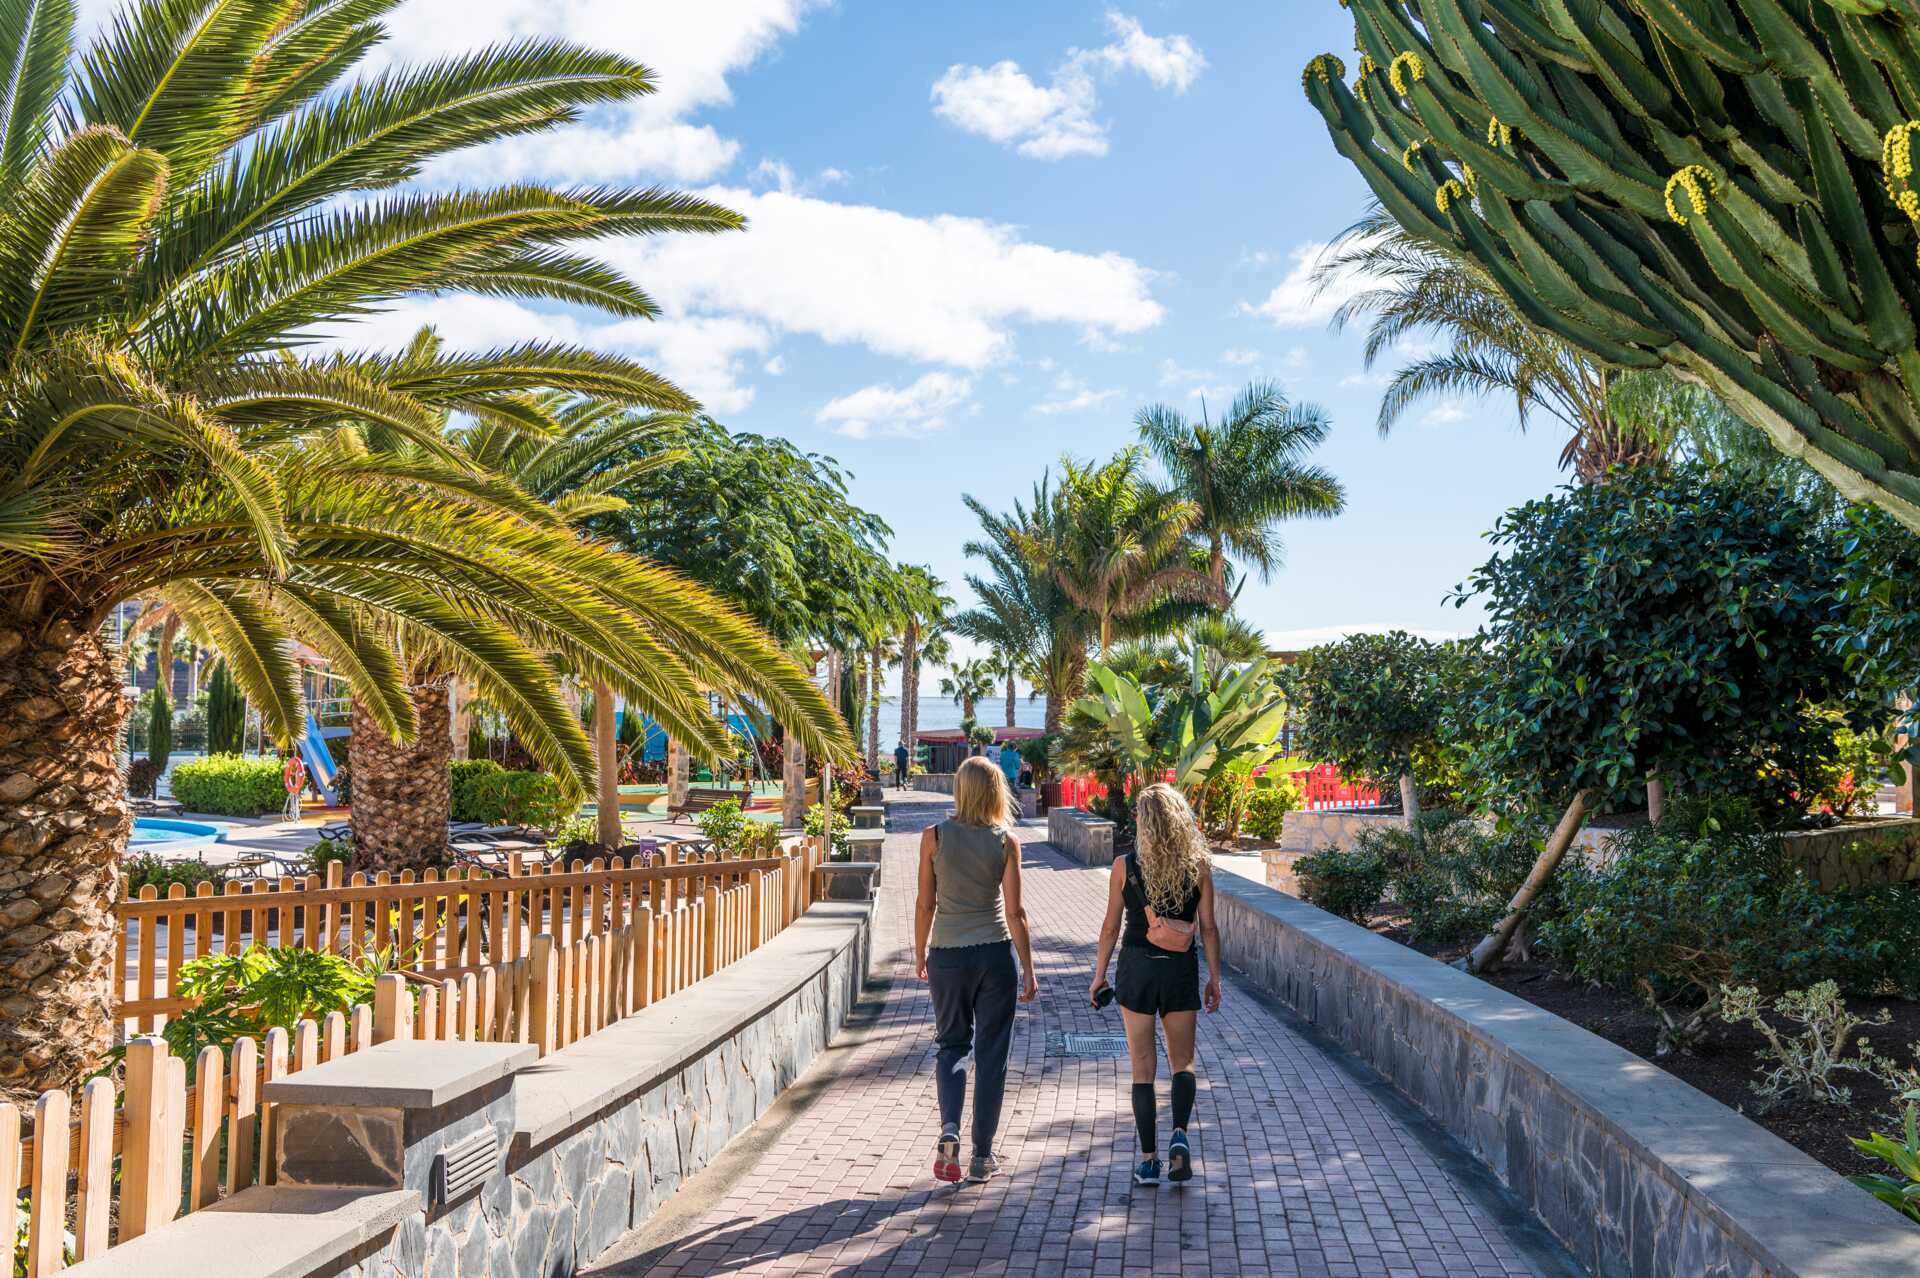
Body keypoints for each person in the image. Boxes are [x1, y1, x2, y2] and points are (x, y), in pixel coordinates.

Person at [1088, 783, 1222, 1186]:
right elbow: (1210, 928)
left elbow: (1111, 926)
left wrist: (1099, 975)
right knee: (1183, 1063)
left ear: (1144, 823)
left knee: (1142, 1068)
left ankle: (1148, 1161)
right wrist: (1215, 977)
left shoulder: (1125, 866)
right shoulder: (1199, 866)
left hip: (1137, 969)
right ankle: (1179, 1135)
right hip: (1180, 969)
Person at [915, 755, 1039, 1184]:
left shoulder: (933, 837)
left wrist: (919, 953)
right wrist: (1029, 968)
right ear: (995, 791)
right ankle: (981, 1156)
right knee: (991, 1058)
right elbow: (1016, 910)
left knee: (951, 1046)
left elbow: (925, 904)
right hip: (994, 956)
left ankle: (949, 1127)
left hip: (946, 954)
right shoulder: (1006, 841)